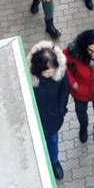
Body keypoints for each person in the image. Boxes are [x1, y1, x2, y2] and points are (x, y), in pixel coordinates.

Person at [27, 41, 70, 180]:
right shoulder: (29, 78)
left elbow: (65, 91)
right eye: (47, 71)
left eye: (52, 70)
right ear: (39, 69)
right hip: (35, 119)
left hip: (53, 118)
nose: (51, 73)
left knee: (52, 140)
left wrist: (61, 109)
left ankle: (54, 162)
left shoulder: (60, 73)